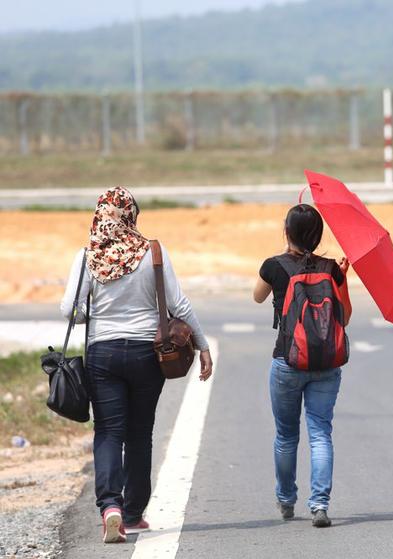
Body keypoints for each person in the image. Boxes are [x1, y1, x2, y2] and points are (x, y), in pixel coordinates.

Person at [60, 187, 212, 544]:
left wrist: (97, 312)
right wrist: (203, 346)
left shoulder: (87, 256)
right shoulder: (153, 252)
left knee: (108, 431)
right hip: (147, 354)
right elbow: (179, 304)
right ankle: (132, 513)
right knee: (140, 433)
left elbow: (70, 311)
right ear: (131, 216)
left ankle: (110, 507)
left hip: (103, 355)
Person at [253, 203, 352, 528]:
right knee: (320, 433)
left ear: (287, 231)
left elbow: (257, 296)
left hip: (287, 360)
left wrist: (283, 260)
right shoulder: (331, 268)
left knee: (286, 435)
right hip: (326, 363)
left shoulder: (274, 266)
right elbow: (345, 317)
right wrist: (342, 278)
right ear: (319, 234)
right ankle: (320, 504)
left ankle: (286, 499)